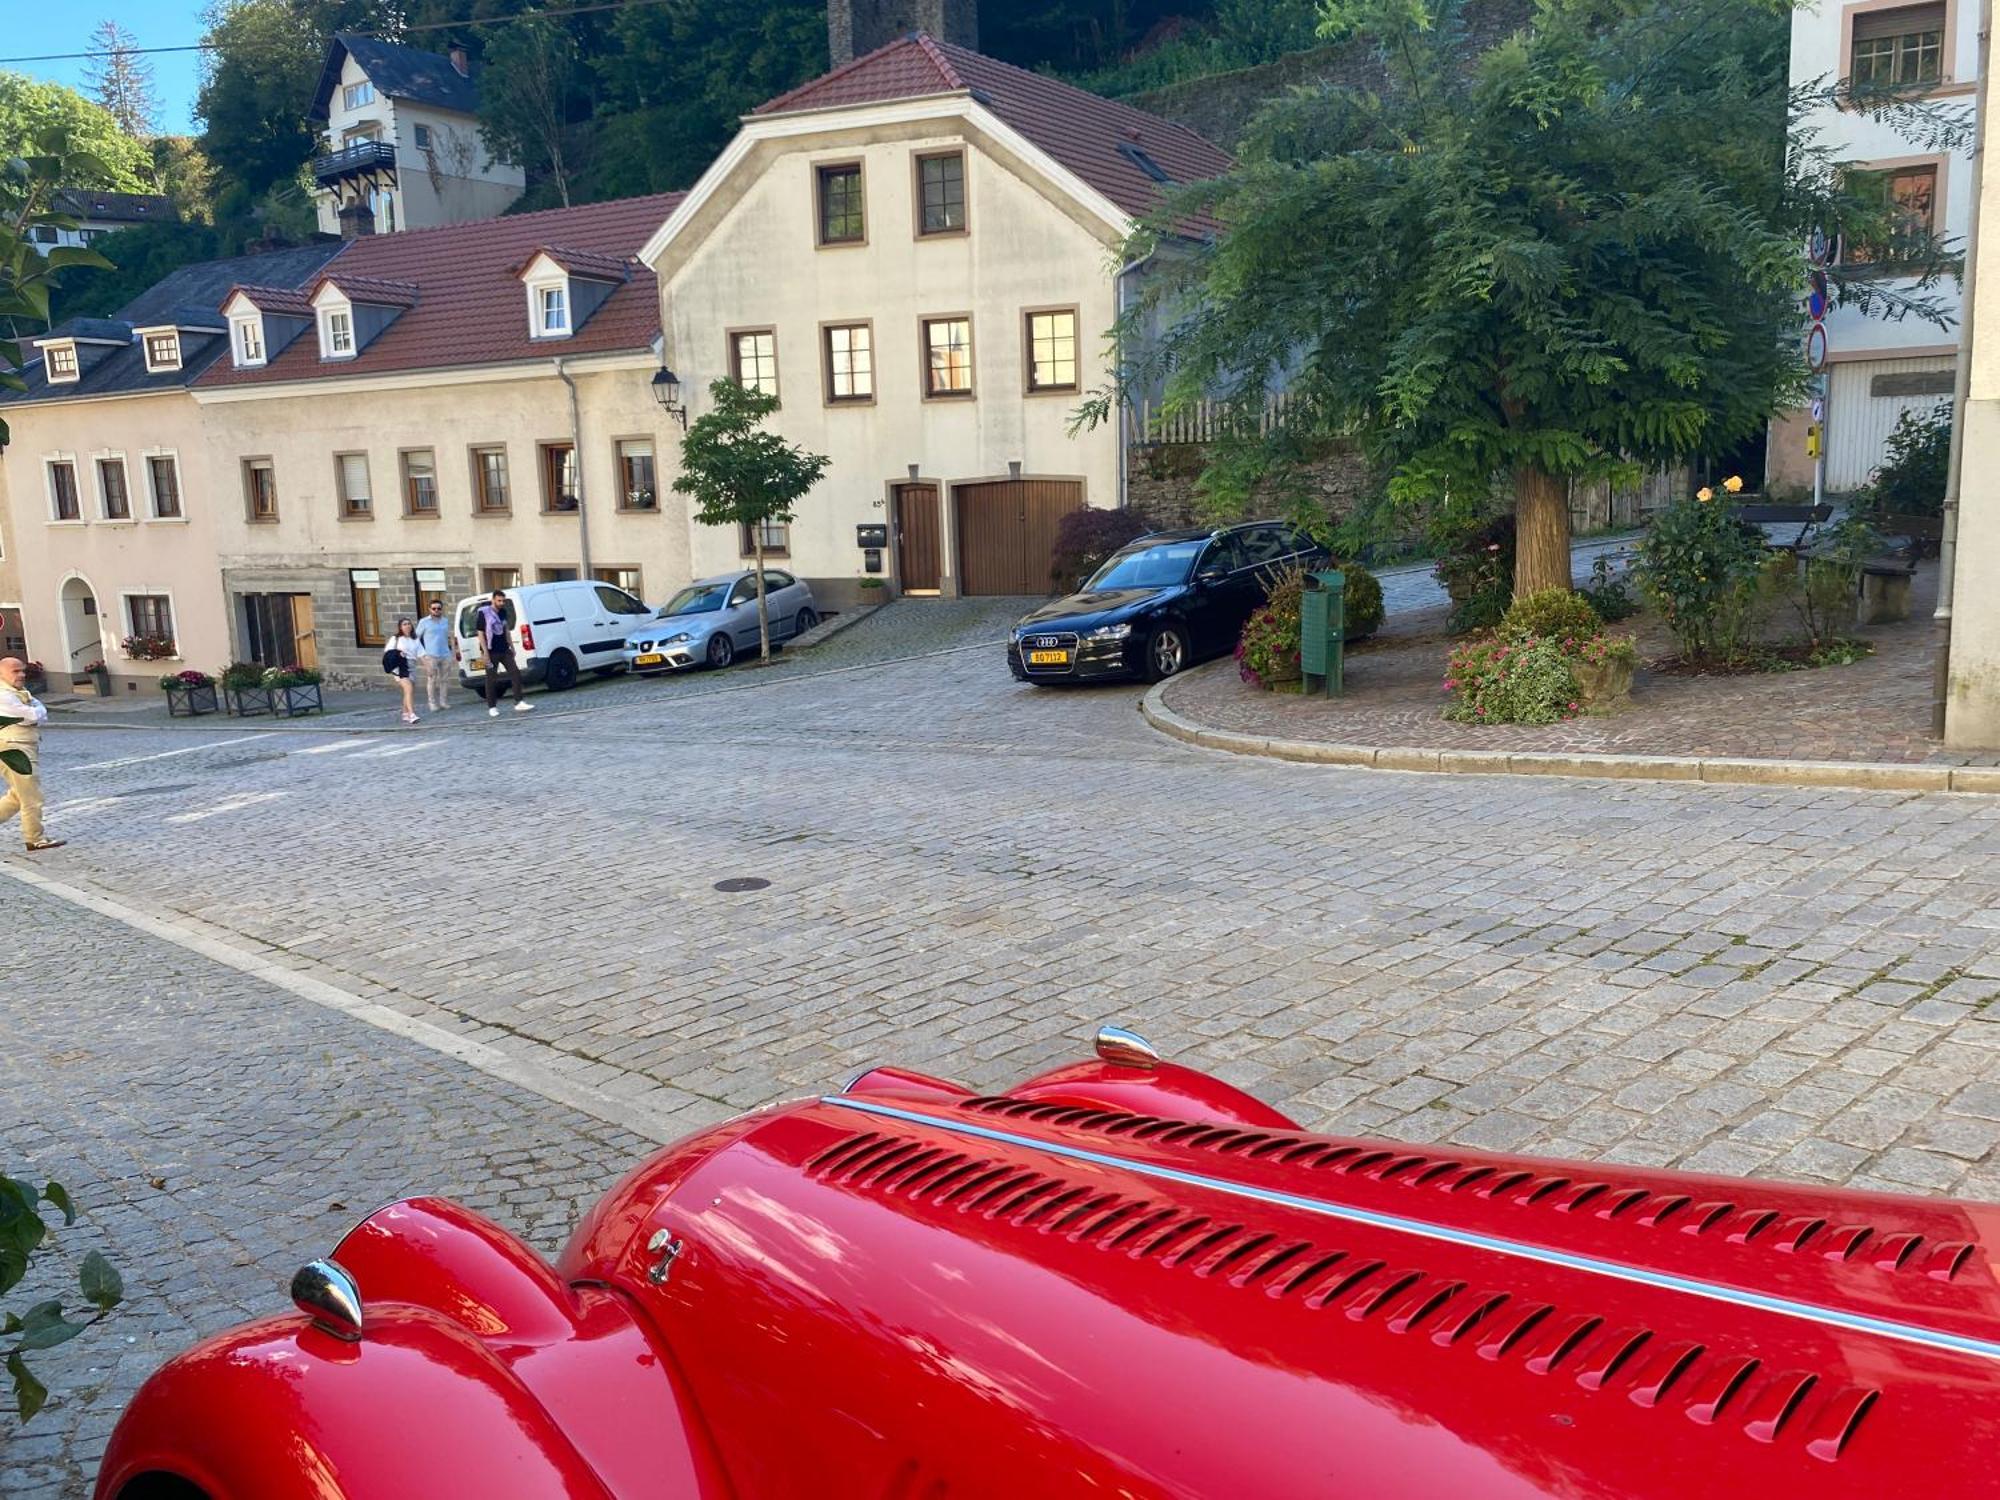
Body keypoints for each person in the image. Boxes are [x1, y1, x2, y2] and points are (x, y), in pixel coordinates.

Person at [0, 656, 63, 852]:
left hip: (24, 745)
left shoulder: (18, 691)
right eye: (15, 671)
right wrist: (34, 713)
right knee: (31, 797)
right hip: (14, 749)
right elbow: (33, 715)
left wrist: (35, 713)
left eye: (22, 670)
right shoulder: (3, 695)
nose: (21, 675)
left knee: (18, 796)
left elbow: (40, 712)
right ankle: (34, 838)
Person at [476, 590, 534, 718]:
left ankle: (519, 702)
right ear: (493, 600)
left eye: (503, 601)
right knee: (491, 678)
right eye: (499, 601)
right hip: (490, 651)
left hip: (504, 649)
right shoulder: (483, 614)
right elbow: (480, 633)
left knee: (515, 673)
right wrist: (484, 652)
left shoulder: (503, 612)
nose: (501, 603)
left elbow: (505, 629)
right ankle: (492, 707)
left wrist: (511, 646)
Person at [415, 598, 454, 712]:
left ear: (442, 609)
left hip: (445, 654)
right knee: (432, 679)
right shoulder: (424, 622)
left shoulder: (445, 621)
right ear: (429, 609)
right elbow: (416, 638)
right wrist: (423, 654)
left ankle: (443, 702)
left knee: (444, 680)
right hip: (431, 655)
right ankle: (432, 703)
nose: (436, 610)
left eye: (439, 608)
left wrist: (453, 652)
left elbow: (450, 636)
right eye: (434, 608)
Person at [384, 617, 421, 724]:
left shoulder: (415, 638)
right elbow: (387, 652)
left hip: (411, 665)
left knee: (409, 690)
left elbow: (421, 652)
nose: (407, 626)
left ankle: (405, 713)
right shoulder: (395, 638)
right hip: (400, 666)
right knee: (408, 687)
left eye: (409, 624)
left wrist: (428, 665)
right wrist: (398, 652)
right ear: (400, 627)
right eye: (404, 624)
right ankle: (412, 714)